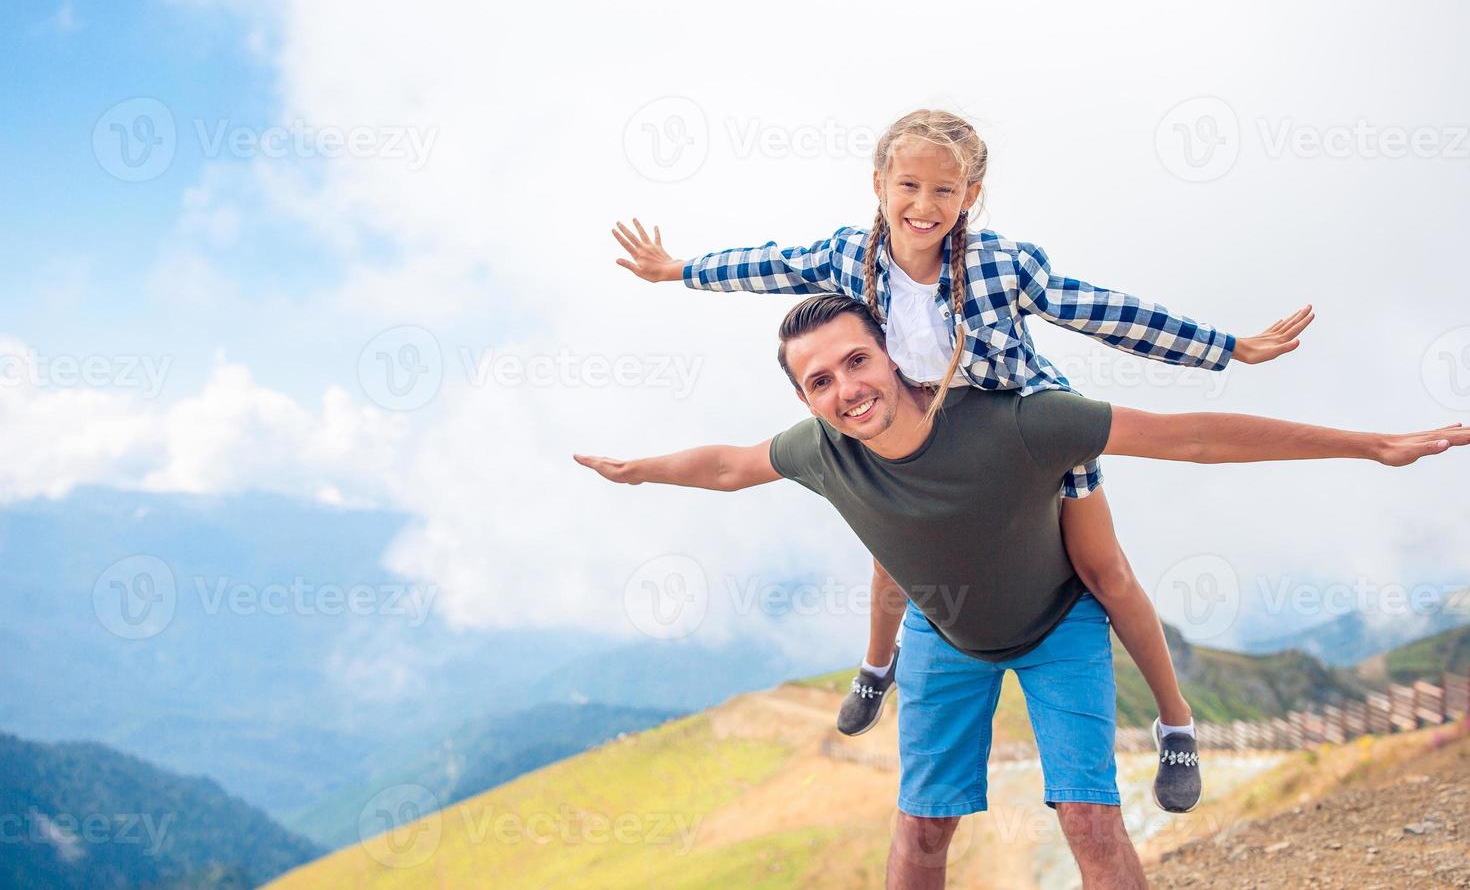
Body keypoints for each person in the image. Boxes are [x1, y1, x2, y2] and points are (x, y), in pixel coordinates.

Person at [575, 293, 1468, 889]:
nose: (846, 390)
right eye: (820, 381)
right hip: (944, 639)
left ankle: (1175, 723)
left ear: (893, 351)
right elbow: (730, 464)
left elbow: (1192, 437)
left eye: (856, 361)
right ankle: (874, 671)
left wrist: (1370, 445)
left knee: (1087, 816)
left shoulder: (1021, 423)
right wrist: (639, 470)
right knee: (921, 834)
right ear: (806, 399)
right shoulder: (820, 452)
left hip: (1058, 628)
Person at [609, 107, 1314, 812]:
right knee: (896, 544)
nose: (924, 206)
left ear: (971, 194)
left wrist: (1225, 346)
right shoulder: (849, 256)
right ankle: (877, 666)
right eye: (908, 186)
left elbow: (1104, 312)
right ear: (879, 184)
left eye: (945, 191)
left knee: (1105, 571)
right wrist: (678, 270)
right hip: (913, 432)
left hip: (1014, 432)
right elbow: (770, 265)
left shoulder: (1001, 265)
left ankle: (1176, 721)